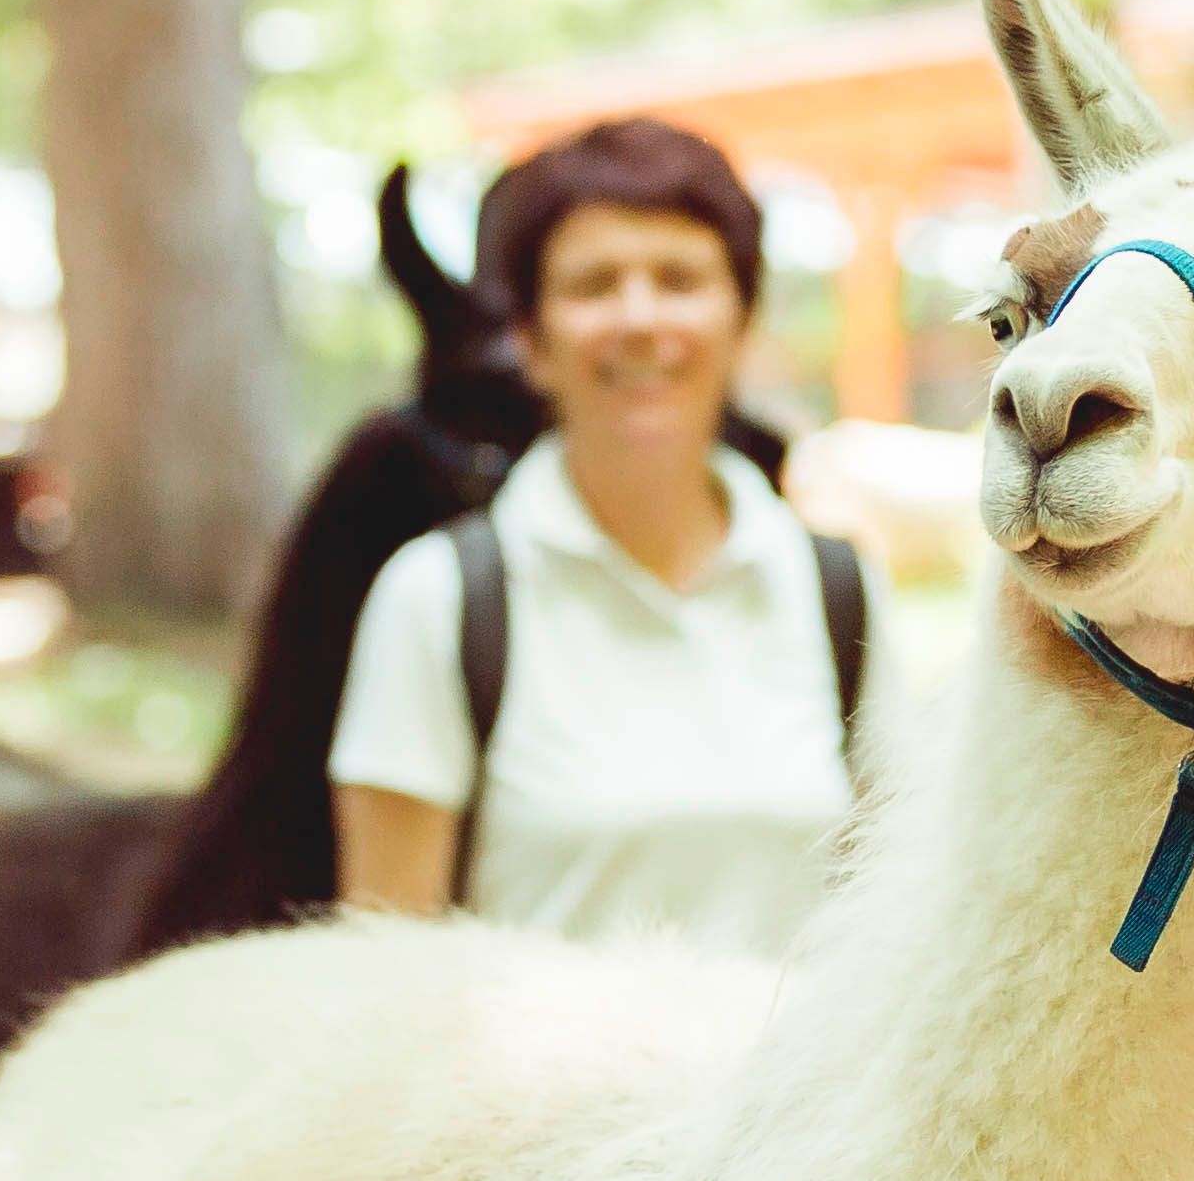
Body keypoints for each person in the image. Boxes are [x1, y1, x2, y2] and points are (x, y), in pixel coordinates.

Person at [328, 116, 880, 947]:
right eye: (592, 285)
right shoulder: (440, 599)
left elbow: (899, 915)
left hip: (801, 1081)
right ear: (530, 342)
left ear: (741, 320)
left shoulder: (838, 591)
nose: (639, 316)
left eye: (679, 278)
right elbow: (379, 973)